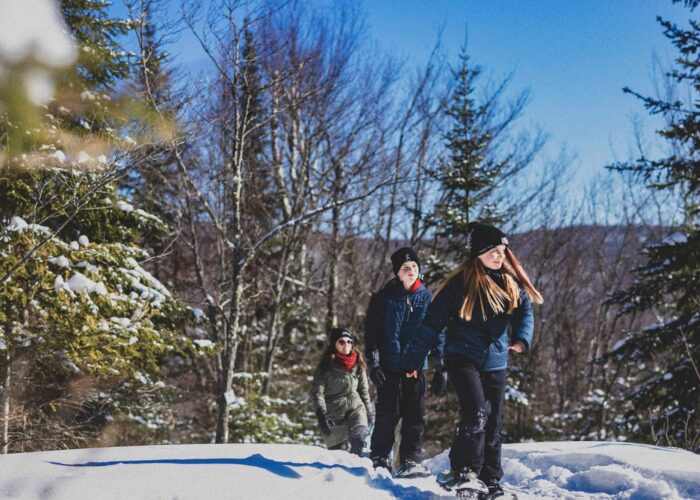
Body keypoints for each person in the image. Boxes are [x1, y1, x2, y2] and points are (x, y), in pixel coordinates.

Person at [400, 222, 543, 497]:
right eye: (493, 250)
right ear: (478, 251)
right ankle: (465, 471)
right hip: (462, 357)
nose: (499, 255)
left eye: (503, 251)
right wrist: (411, 361)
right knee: (477, 410)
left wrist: (522, 338)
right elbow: (431, 323)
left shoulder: (510, 282)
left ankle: (490, 480)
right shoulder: (462, 282)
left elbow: (525, 311)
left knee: (493, 422)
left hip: (497, 360)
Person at [364, 247, 446, 477]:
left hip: (416, 367)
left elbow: (437, 333)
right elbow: (372, 333)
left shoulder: (427, 298)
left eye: (414, 268)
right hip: (389, 367)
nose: (410, 271)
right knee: (387, 415)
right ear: (397, 273)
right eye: (405, 268)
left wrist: (441, 366)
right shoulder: (383, 298)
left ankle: (410, 460)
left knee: (415, 416)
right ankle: (379, 458)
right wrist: (373, 363)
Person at [311, 327, 373, 455]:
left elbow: (363, 391)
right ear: (334, 344)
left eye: (349, 341)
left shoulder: (358, 364)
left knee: (358, 438)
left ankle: (356, 469)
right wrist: (321, 416)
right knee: (339, 455)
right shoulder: (325, 367)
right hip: (334, 414)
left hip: (356, 409)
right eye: (342, 342)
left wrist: (369, 412)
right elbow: (318, 393)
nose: (347, 345)